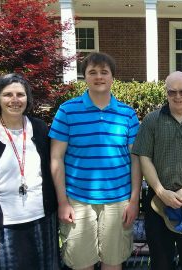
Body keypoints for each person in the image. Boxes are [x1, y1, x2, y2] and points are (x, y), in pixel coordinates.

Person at [49, 52, 141, 270]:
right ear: (85, 77)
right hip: (78, 200)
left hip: (118, 200)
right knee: (82, 263)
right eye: (92, 72)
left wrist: (134, 200)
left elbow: (136, 159)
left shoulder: (127, 115)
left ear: (112, 77)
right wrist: (62, 202)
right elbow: (56, 158)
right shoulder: (67, 111)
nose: (99, 77)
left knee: (112, 262)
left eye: (104, 72)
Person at [132, 71, 182, 270]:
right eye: (172, 92)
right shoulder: (152, 120)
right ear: (166, 93)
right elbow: (144, 157)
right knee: (161, 261)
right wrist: (161, 191)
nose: (178, 96)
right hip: (157, 200)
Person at [0, 73, 59, 269]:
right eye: (7, 94)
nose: (15, 100)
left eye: (20, 94)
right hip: (0, 227)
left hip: (41, 220)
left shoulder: (40, 129)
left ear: (27, 98)